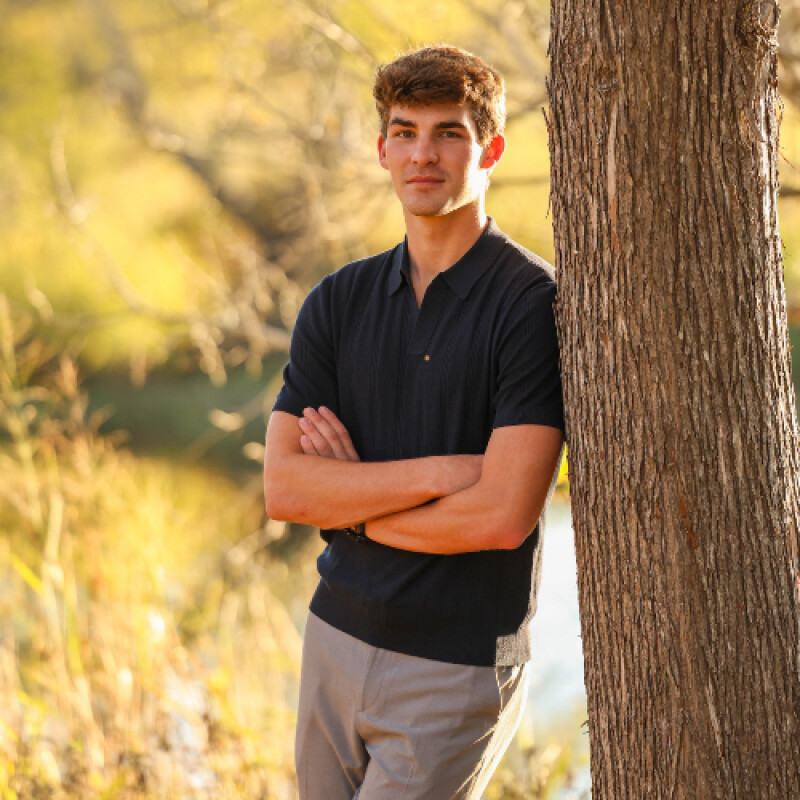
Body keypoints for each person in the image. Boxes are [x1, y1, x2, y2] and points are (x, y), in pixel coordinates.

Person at [263, 44, 565, 800]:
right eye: (404, 132)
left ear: (490, 150)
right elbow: (287, 491)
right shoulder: (338, 301)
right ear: (382, 150)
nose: (422, 154)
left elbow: (501, 516)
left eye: (448, 133)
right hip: (333, 637)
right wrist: (440, 474)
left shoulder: (532, 305)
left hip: (454, 662)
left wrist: (351, 503)